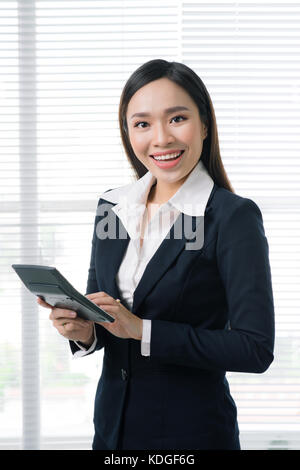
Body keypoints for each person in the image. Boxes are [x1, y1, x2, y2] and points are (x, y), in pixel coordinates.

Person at [37, 59, 275, 450]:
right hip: (112, 433)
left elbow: (255, 348)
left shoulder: (232, 218)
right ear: (127, 132)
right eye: (142, 124)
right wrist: (83, 332)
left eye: (177, 118)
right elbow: (103, 313)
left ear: (204, 124)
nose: (161, 138)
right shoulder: (112, 207)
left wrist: (142, 330)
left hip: (192, 436)